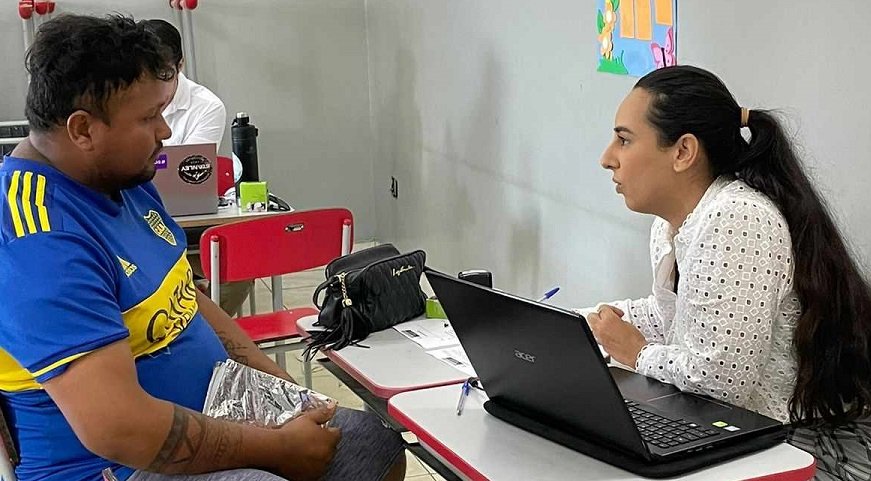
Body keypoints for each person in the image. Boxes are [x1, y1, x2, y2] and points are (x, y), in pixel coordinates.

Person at [0, 14, 405, 481]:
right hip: (116, 466)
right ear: (83, 130)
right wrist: (277, 450)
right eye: (149, 118)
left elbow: (187, 298)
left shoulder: (124, 180)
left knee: (371, 446)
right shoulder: (37, 240)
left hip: (215, 409)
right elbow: (120, 429)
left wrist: (285, 390)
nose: (165, 132)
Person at [583, 64, 871, 480]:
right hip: (746, 434)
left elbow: (720, 381)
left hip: (802, 448)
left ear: (683, 152)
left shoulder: (737, 218)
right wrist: (587, 324)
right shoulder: (671, 224)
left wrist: (637, 352)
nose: (607, 158)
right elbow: (678, 317)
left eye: (624, 140)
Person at [141, 18, 249, 317]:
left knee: (238, 262)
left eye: (164, 74)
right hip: (137, 217)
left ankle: (195, 327)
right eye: (146, 73)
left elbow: (186, 174)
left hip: (184, 218)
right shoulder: (123, 99)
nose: (155, 84)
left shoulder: (206, 106)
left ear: (180, 65)